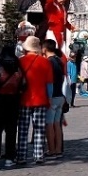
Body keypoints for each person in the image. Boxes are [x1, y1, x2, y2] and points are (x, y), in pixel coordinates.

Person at [16, 36, 53, 166]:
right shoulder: (45, 62)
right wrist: (49, 98)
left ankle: (21, 156)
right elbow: (49, 84)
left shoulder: (21, 61)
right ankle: (38, 155)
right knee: (39, 129)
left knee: (23, 129)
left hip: (24, 99)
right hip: (41, 99)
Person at [0, 45, 24, 168]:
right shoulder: (18, 71)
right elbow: (24, 86)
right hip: (13, 101)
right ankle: (9, 158)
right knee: (11, 131)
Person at [42, 40, 67, 160]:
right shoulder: (59, 60)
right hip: (60, 95)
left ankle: (51, 150)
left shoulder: (48, 62)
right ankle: (58, 149)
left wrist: (48, 97)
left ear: (44, 49)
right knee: (57, 124)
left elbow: (48, 81)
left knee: (49, 124)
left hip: (52, 96)